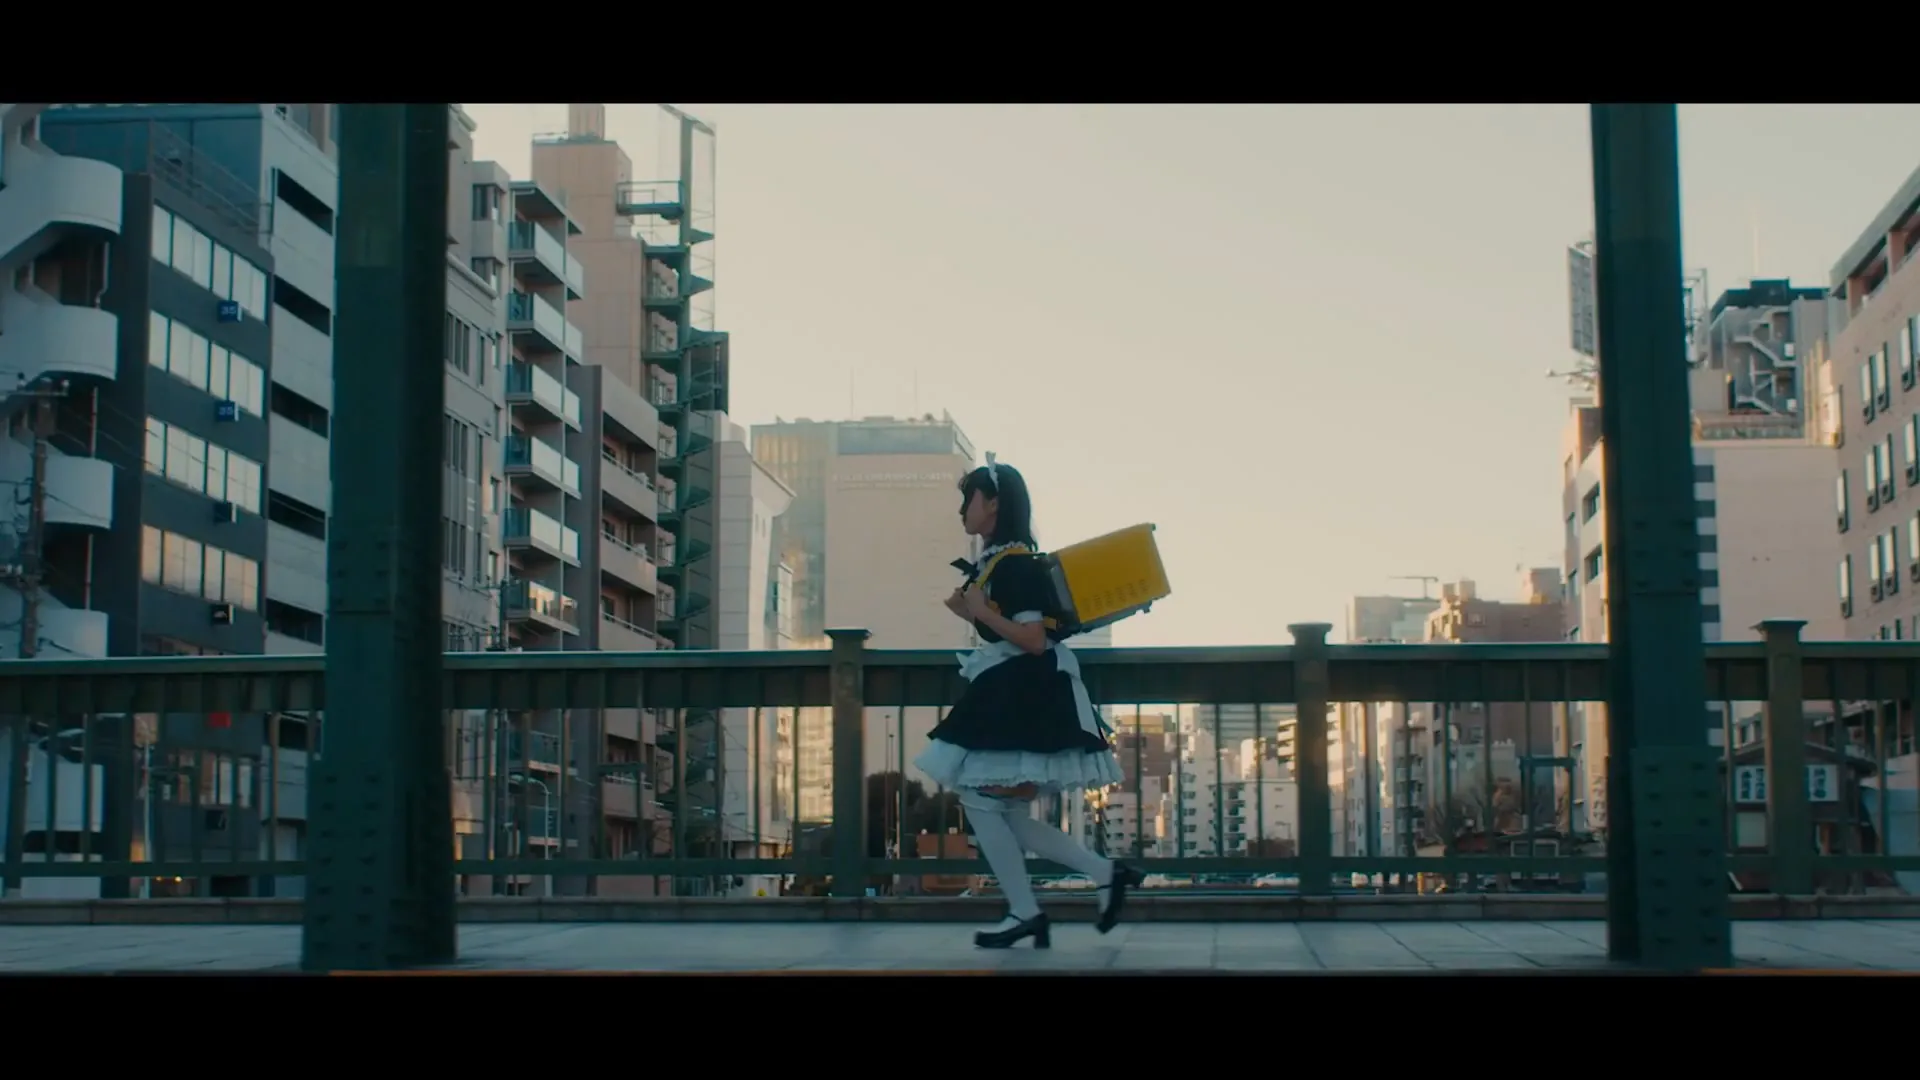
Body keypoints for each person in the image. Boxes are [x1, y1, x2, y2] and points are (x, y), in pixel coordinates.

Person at [912, 453, 1145, 949]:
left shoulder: (1014, 565)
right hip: (1022, 692)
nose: (962, 510)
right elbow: (1018, 632)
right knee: (1006, 810)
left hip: (1024, 693)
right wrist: (971, 611)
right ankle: (1099, 877)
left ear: (993, 504)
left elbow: (1034, 639)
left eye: (968, 499)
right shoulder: (1004, 562)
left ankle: (1029, 910)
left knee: (980, 799)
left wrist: (979, 612)